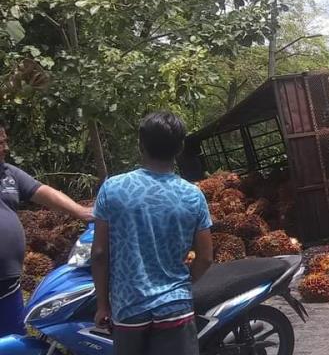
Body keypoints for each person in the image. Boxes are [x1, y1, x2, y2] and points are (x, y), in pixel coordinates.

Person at [91, 111, 214, 355]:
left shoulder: (113, 189)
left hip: (128, 308)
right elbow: (206, 257)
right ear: (179, 147)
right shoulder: (192, 195)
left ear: (141, 144)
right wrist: (181, 286)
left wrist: (103, 305)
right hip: (175, 308)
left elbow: (99, 252)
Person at [0, 119, 93, 337]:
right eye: (0, 142)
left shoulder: (8, 173)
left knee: (14, 339)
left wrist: (81, 211)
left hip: (8, 283)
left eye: (5, 141)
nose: (6, 147)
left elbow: (43, 192)